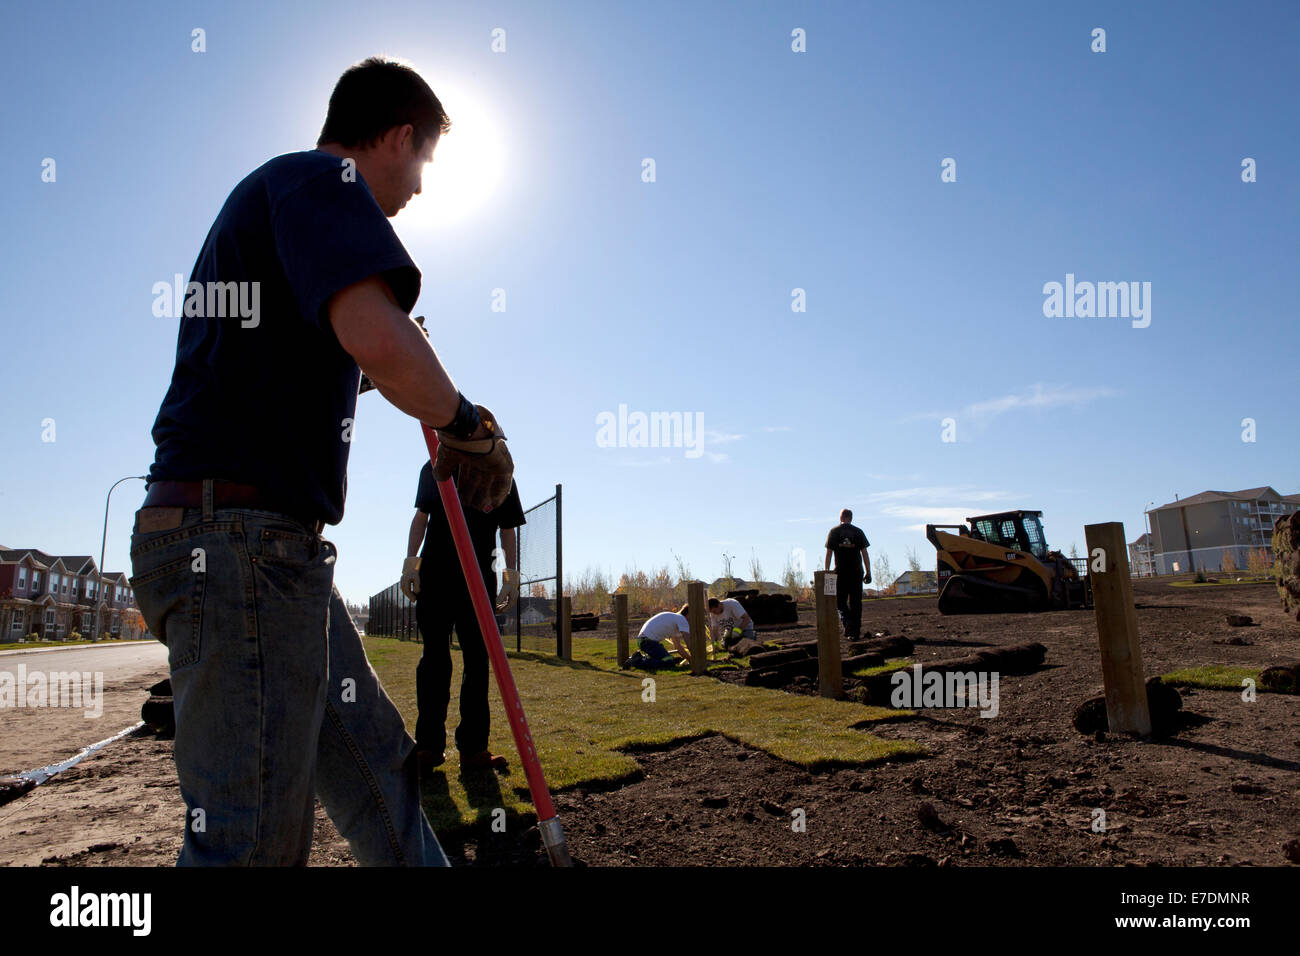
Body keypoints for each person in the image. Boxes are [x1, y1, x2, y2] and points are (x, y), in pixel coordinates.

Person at [128, 57, 513, 866]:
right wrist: (466, 423)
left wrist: (405, 376)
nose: (418, 190)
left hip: (268, 553)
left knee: (380, 771)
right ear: (401, 136)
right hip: (238, 546)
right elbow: (376, 335)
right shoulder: (322, 181)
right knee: (252, 839)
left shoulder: (283, 204)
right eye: (423, 163)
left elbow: (347, 355)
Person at [401, 462, 523, 774]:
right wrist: (411, 561)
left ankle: (473, 749)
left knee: (478, 659)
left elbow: (507, 527)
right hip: (437, 574)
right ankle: (428, 746)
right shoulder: (436, 464)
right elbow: (422, 516)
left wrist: (511, 574)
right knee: (434, 659)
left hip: (479, 579)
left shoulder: (499, 469)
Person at [824, 508, 871, 639]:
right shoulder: (858, 532)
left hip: (840, 573)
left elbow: (829, 553)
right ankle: (855, 632)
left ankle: (847, 622)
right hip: (856, 572)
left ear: (841, 517)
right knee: (856, 603)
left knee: (840, 602)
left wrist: (827, 571)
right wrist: (868, 571)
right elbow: (865, 553)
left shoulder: (834, 531)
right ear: (851, 518)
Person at [624, 605, 692, 668]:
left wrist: (690, 660)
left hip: (644, 640)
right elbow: (689, 643)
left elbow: (678, 646)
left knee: (667, 659)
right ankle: (636, 661)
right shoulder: (682, 619)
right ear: (689, 614)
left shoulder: (675, 619)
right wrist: (697, 660)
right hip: (648, 641)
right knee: (668, 661)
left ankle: (641, 659)